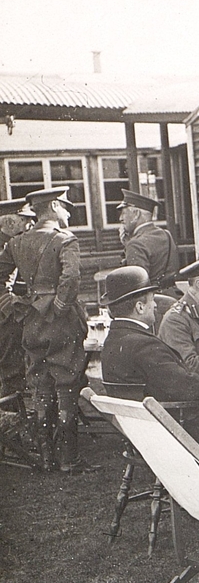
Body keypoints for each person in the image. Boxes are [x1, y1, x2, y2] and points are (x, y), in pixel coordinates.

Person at [99, 265, 199, 459]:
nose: (156, 306)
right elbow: (186, 385)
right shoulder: (144, 345)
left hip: (138, 430)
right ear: (140, 307)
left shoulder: (113, 341)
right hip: (171, 432)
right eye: (151, 302)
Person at [0, 188, 92, 472]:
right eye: (65, 207)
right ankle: (68, 459)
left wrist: (13, 304)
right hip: (60, 322)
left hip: (31, 320)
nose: (67, 212)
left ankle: (46, 458)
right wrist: (61, 307)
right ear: (52, 206)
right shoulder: (65, 239)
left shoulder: (16, 243)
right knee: (66, 385)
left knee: (40, 386)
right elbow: (72, 277)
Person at [0, 200, 34, 400]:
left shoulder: (14, 242)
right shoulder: (6, 246)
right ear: (10, 224)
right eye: (26, 221)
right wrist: (10, 304)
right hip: (4, 313)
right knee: (10, 364)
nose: (30, 226)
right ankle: (12, 413)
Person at [117, 189, 179, 291]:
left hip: (151, 302)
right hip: (171, 297)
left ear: (136, 214)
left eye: (124, 213)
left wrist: (129, 246)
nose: (121, 218)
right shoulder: (166, 234)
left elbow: (137, 286)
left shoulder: (135, 244)